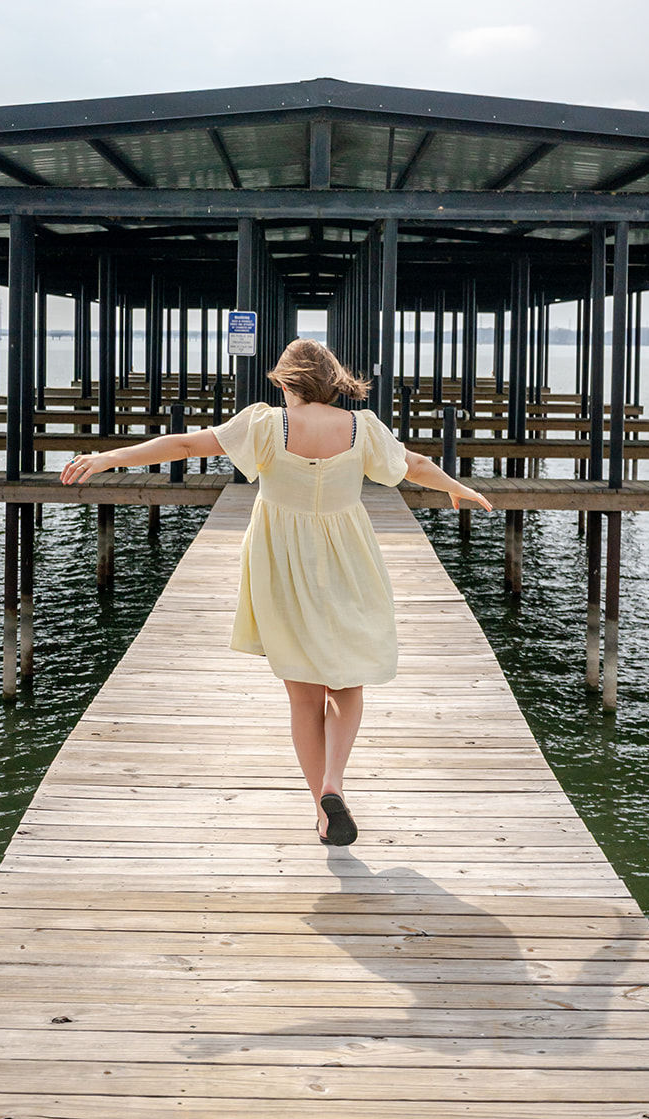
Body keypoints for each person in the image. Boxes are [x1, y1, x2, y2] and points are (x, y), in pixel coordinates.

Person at [61, 339, 493, 846]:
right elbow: (414, 466)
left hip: (280, 565)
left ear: (285, 381)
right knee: (348, 682)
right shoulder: (362, 427)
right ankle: (334, 782)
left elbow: (183, 445)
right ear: (333, 381)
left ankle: (321, 808)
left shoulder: (264, 425)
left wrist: (108, 457)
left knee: (303, 694)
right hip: (348, 562)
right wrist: (457, 486)